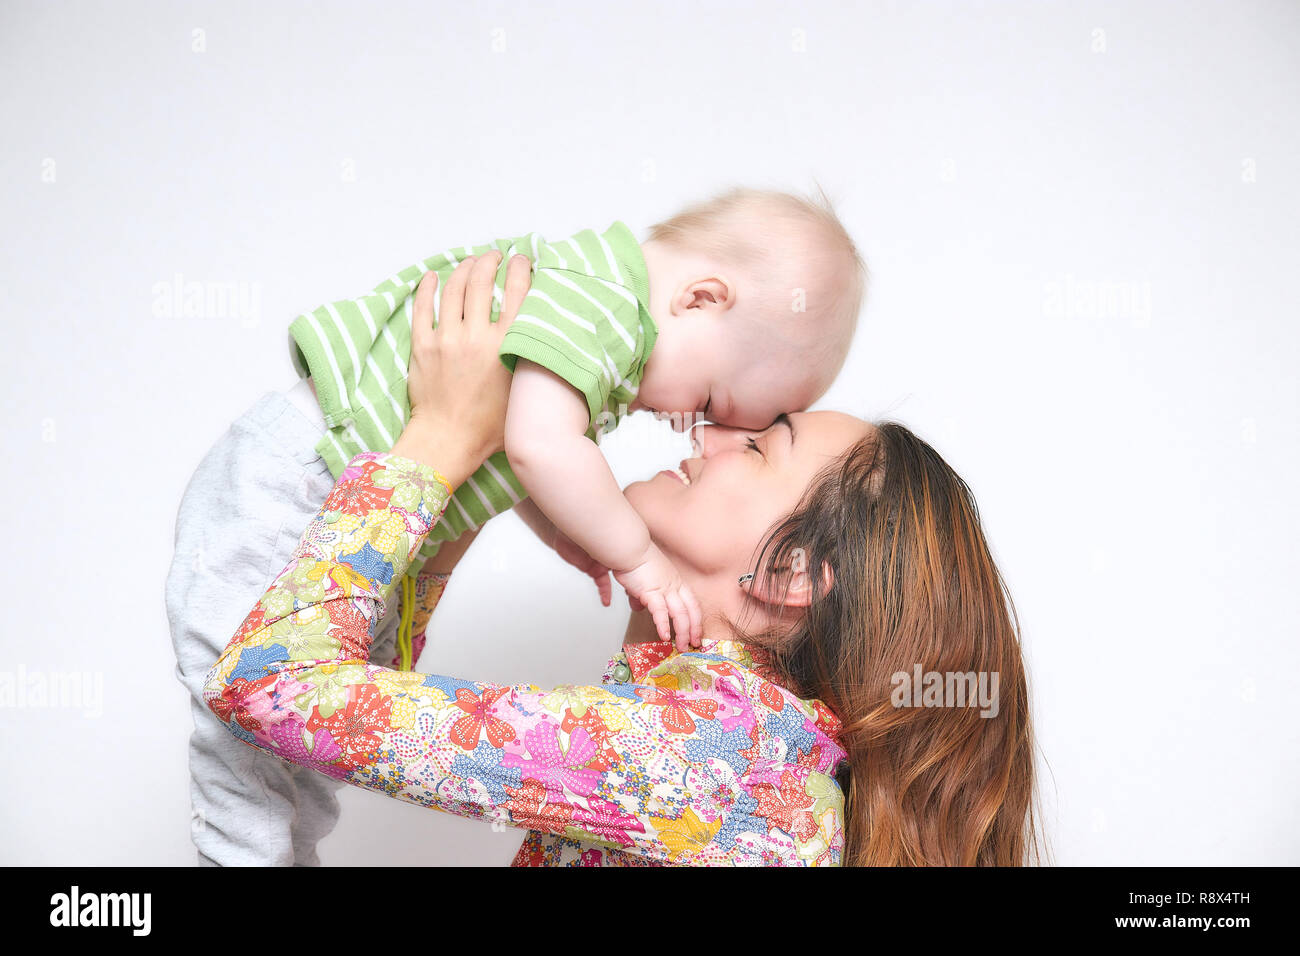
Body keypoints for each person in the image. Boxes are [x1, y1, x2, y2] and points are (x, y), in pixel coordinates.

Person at [201, 255, 1042, 866]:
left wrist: (436, 443)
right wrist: (458, 505)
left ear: (791, 578)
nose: (711, 433)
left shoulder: (715, 755)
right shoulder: (749, 757)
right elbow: (338, 711)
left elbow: (272, 688)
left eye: (757, 448)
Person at [285, 187, 866, 646]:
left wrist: (565, 525)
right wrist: (636, 557)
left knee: (285, 749)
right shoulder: (606, 307)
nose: (695, 428)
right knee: (245, 719)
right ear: (702, 299)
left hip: (350, 503)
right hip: (308, 468)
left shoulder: (602, 324)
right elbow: (538, 447)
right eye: (711, 403)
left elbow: (520, 450)